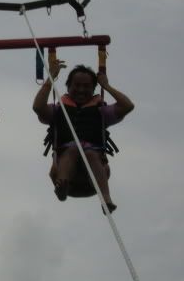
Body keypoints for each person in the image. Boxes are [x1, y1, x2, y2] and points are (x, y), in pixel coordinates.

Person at [33, 60, 134, 213]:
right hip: (65, 175)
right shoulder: (59, 110)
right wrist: (50, 79)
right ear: (68, 87)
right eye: (77, 85)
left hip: (92, 181)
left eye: (87, 86)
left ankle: (106, 199)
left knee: (90, 153)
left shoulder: (101, 111)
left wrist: (106, 86)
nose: (81, 90)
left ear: (94, 89)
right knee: (73, 149)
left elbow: (127, 106)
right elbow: (38, 107)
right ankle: (62, 186)